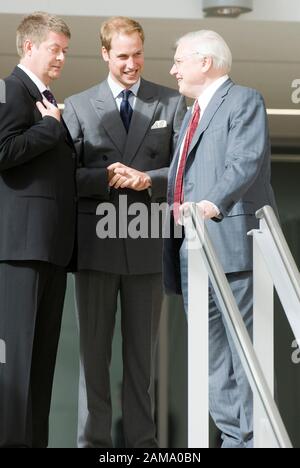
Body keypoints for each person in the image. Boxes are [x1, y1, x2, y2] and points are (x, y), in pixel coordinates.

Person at [63, 16, 186, 448]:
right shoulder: (77, 106)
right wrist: (108, 177)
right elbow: (64, 177)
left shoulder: (170, 103)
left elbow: (186, 171)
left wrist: (147, 178)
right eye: (122, 56)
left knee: (141, 362)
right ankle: (92, 444)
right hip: (96, 247)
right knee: (92, 361)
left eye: (137, 54)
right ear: (104, 55)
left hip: (148, 245)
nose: (132, 64)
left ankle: (142, 447)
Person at [163, 30, 278, 448]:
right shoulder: (188, 113)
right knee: (211, 359)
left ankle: (252, 440)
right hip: (193, 253)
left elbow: (243, 162)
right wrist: (147, 178)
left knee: (244, 356)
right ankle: (232, 437)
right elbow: (185, 177)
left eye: (178, 60)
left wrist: (212, 203)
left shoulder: (244, 100)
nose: (173, 69)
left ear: (205, 61)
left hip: (231, 247)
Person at [0, 12, 76, 447]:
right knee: (17, 367)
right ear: (29, 47)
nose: (62, 57)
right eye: (55, 48)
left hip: (48, 249)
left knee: (40, 366)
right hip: (20, 249)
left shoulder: (45, 97)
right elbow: (3, 150)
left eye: (65, 50)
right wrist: (50, 129)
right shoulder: (10, 89)